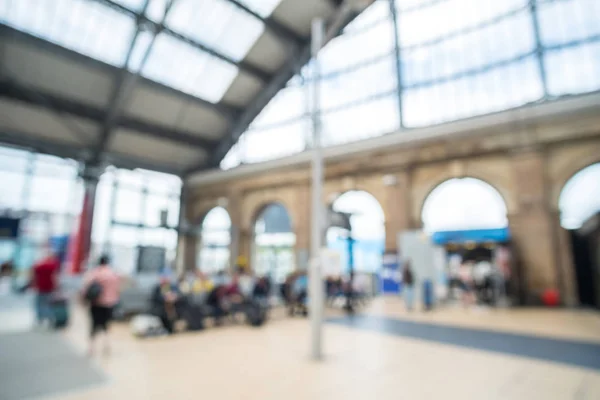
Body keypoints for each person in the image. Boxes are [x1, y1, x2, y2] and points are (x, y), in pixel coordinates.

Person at [80, 255, 121, 356]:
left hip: (96, 303)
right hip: (110, 304)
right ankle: (106, 345)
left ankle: (91, 347)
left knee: (94, 324)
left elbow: (86, 288)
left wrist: (84, 299)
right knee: (106, 324)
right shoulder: (113, 274)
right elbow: (118, 289)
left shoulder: (95, 273)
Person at [31, 248, 60, 327]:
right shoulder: (52, 265)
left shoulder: (38, 265)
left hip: (40, 288)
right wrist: (57, 286)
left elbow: (34, 277)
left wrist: (34, 285)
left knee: (39, 304)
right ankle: (50, 318)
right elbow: (54, 277)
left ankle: (40, 319)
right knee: (49, 304)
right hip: (49, 288)